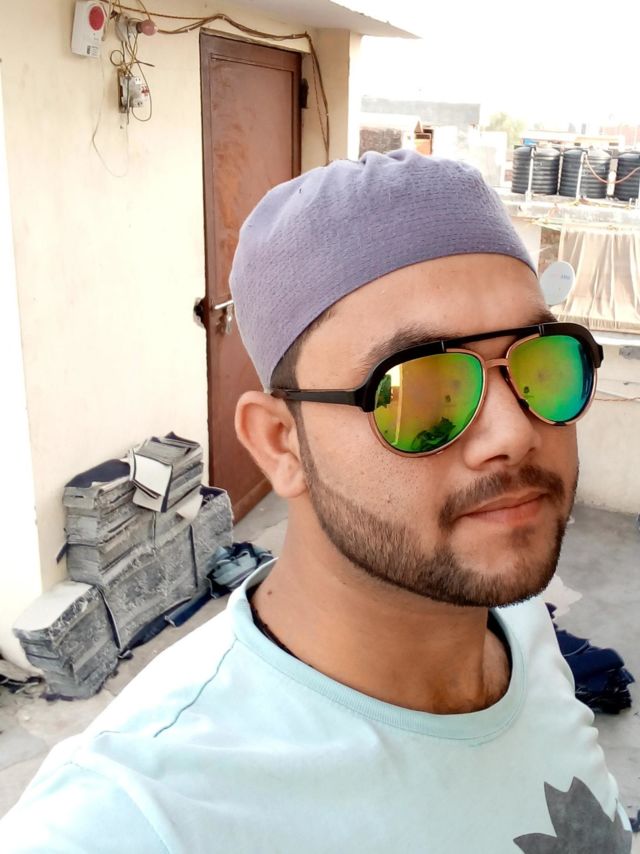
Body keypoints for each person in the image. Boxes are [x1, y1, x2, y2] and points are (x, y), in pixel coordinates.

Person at [1, 151, 632, 853]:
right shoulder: (137, 816)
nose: (514, 434)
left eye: (543, 363)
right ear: (281, 445)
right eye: (421, 393)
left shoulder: (520, 626)